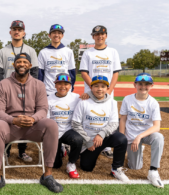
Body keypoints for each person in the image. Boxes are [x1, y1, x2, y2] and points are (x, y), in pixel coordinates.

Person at [0, 53, 62, 195]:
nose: (22, 64)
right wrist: (13, 120)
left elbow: (43, 109)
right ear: (14, 65)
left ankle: (47, 175)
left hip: (32, 126)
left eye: (25, 62)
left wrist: (34, 118)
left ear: (30, 65)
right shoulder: (3, 84)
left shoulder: (39, 85)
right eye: (19, 62)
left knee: (51, 125)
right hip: (11, 126)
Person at [0, 20, 39, 162]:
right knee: (7, 119)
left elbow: (35, 72)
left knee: (25, 117)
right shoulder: (3, 51)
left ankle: (22, 151)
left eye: (19, 29)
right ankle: (6, 152)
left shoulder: (31, 51)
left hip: (26, 89)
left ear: (24, 33)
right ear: (10, 32)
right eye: (14, 29)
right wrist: (3, 89)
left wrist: (32, 89)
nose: (17, 31)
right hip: (8, 91)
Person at [72, 75, 130, 183]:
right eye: (96, 86)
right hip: (89, 140)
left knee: (121, 139)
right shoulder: (83, 101)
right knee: (86, 167)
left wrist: (101, 134)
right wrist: (88, 141)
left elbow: (113, 123)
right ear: (91, 88)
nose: (99, 89)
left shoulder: (112, 102)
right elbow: (75, 124)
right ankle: (83, 152)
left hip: (105, 137)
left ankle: (116, 169)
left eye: (103, 86)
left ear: (107, 88)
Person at [79, 25, 122, 158]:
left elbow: (115, 73)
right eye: (96, 35)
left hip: (107, 91)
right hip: (91, 91)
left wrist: (109, 89)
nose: (99, 37)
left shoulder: (113, 52)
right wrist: (93, 87)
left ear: (106, 36)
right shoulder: (88, 53)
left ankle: (106, 146)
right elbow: (84, 73)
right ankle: (85, 142)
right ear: (93, 37)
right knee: (88, 116)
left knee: (107, 117)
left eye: (102, 34)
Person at [119, 73, 164, 188]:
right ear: (135, 84)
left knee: (158, 137)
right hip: (131, 135)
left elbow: (156, 127)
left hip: (145, 135)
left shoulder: (153, 103)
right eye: (140, 84)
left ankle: (153, 171)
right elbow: (123, 120)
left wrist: (139, 137)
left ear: (152, 86)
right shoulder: (127, 99)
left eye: (147, 84)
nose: (143, 86)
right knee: (134, 167)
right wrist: (122, 139)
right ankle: (138, 150)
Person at [47, 73, 83, 178]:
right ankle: (62, 149)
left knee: (78, 139)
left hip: (69, 130)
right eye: (59, 84)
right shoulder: (49, 99)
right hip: (54, 132)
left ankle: (71, 164)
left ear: (70, 85)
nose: (63, 86)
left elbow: (89, 102)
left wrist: (88, 94)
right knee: (56, 165)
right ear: (55, 85)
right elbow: (47, 119)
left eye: (66, 84)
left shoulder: (76, 97)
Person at [38, 24, 76, 95]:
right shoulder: (43, 52)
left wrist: (70, 88)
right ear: (49, 35)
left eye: (59, 33)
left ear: (62, 35)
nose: (56, 35)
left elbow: (72, 72)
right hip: (48, 91)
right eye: (54, 33)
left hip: (64, 91)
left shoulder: (68, 51)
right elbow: (40, 73)